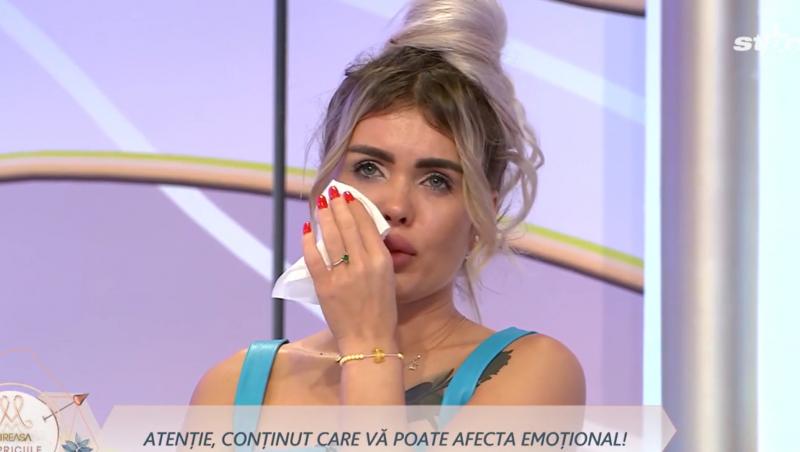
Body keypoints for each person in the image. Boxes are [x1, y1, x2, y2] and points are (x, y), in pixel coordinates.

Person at [190, 0, 585, 408]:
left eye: (437, 181)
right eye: (369, 168)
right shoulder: (230, 389)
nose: (396, 206)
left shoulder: (529, 371)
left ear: (480, 216)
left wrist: (368, 346)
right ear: (327, 186)